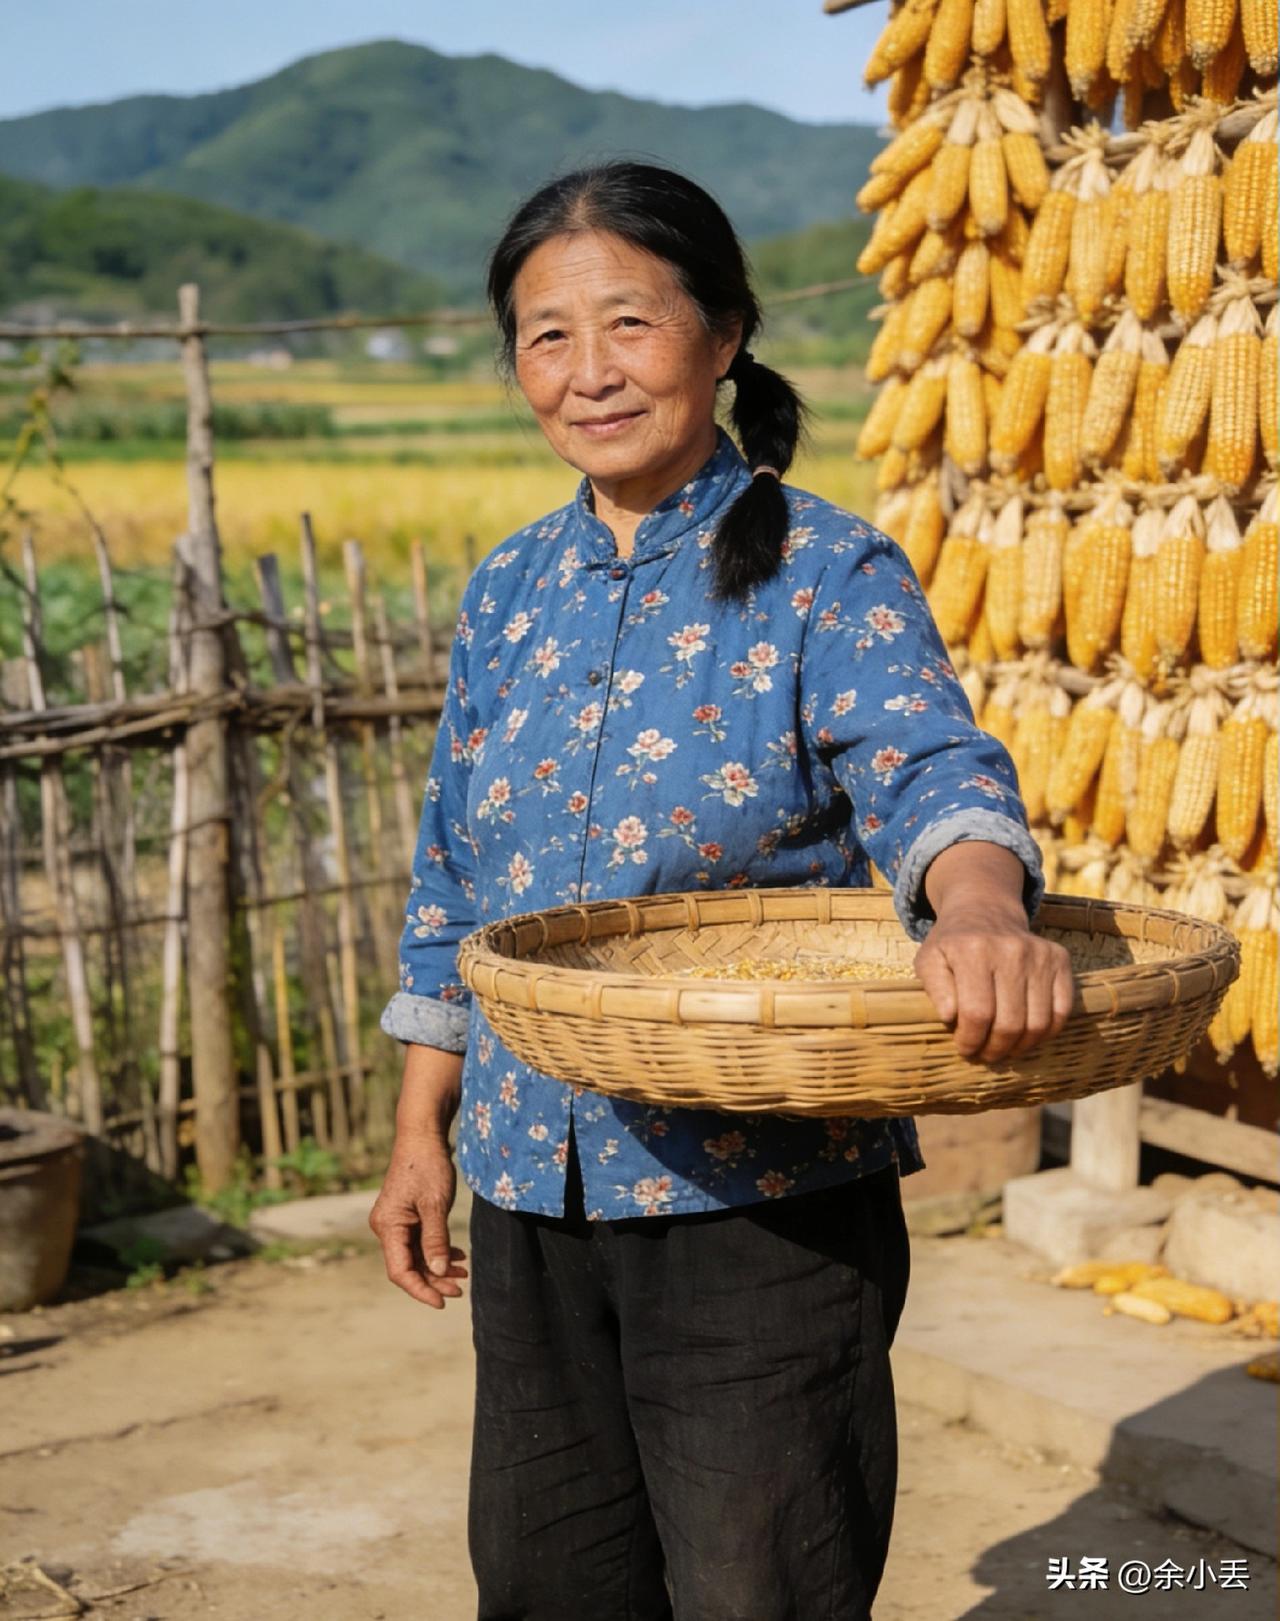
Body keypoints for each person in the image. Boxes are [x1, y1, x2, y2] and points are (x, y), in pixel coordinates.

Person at [370, 159, 1074, 1620]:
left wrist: (986, 907)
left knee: (765, 1587)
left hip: (758, 1201)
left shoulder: (827, 571)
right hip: (532, 1184)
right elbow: (454, 877)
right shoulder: (509, 590)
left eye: (629, 322)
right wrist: (418, 1126)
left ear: (725, 330)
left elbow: (936, 772)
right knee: (549, 1578)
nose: (587, 371)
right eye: (546, 335)